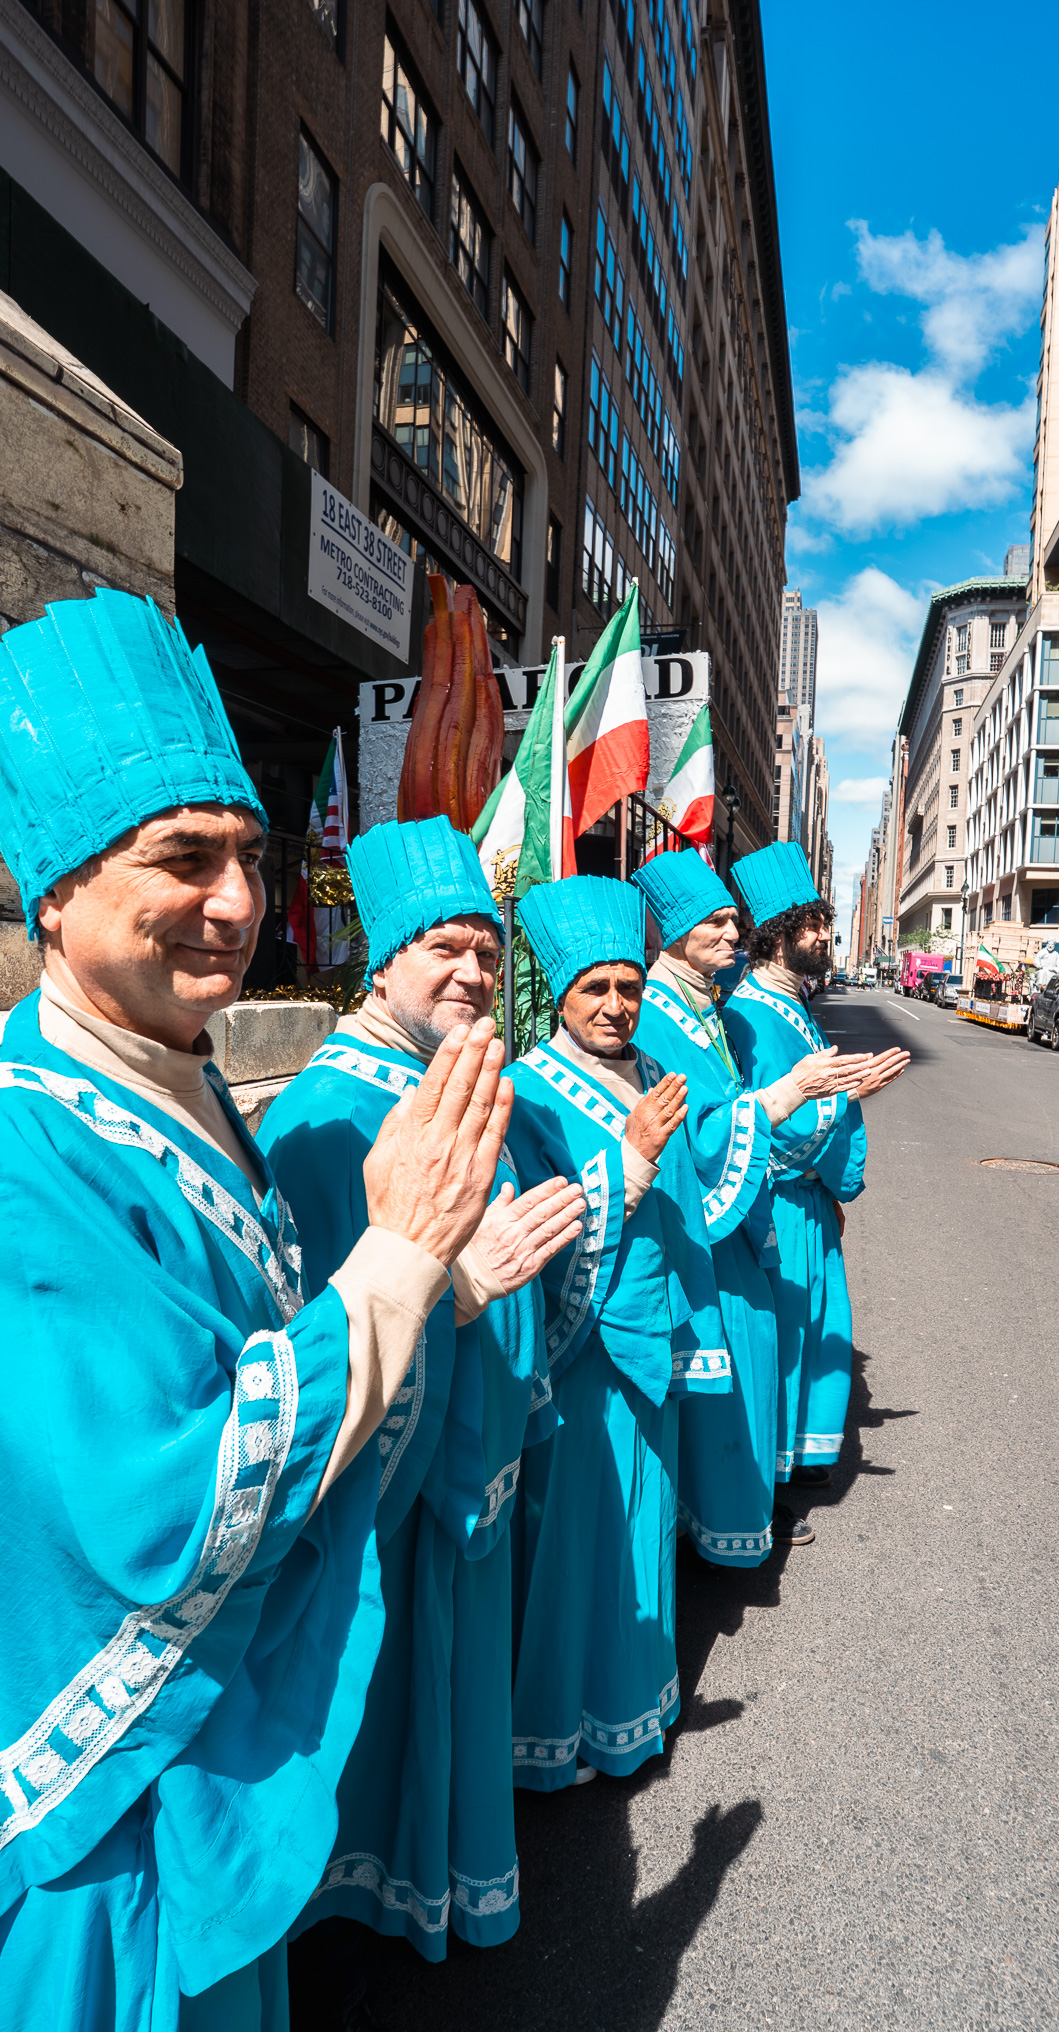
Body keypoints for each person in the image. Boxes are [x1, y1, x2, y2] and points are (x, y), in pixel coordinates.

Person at [0, 591, 524, 2032]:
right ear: (54, 891)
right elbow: (164, 1509)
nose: (237, 904)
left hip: (217, 1745)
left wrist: (437, 1279)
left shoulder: (184, 1078)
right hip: (119, 1810)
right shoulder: (26, 1151)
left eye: (252, 854)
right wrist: (402, 1267)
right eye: (183, 859)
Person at [258, 817, 584, 1962]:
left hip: (472, 1455)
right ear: (380, 958)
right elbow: (325, 1331)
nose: (473, 973)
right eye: (444, 947)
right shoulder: (322, 1113)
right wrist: (455, 1293)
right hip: (395, 1494)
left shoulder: (441, 1073)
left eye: (488, 954)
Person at [504, 876, 727, 1789]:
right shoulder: (526, 1091)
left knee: (642, 1528)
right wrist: (627, 1164)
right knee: (581, 1539)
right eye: (594, 988)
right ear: (558, 994)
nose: (615, 1005)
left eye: (628, 987)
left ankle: (635, 1705)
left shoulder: (649, 1070)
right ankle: (567, 1730)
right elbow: (536, 1233)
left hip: (654, 1340)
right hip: (582, 1353)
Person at [633, 848, 872, 1558]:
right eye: (718, 921)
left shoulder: (701, 1004)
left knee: (757, 1356)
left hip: (747, 1209)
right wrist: (800, 1101)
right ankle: (721, 1516)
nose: (732, 934)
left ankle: (745, 1501)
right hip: (711, 1215)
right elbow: (707, 1122)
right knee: (735, 1365)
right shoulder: (671, 1012)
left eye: (736, 921)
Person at [723, 844, 909, 1518]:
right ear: (775, 935)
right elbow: (772, 1120)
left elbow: (811, 1097)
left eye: (826, 923)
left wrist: (846, 1089)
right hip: (781, 1207)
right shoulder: (751, 1011)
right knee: (786, 1339)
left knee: (808, 1332)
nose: (825, 936)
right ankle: (766, 1487)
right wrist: (847, 1093)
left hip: (808, 1203)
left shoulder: (787, 1001)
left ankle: (797, 1464)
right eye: (812, 926)